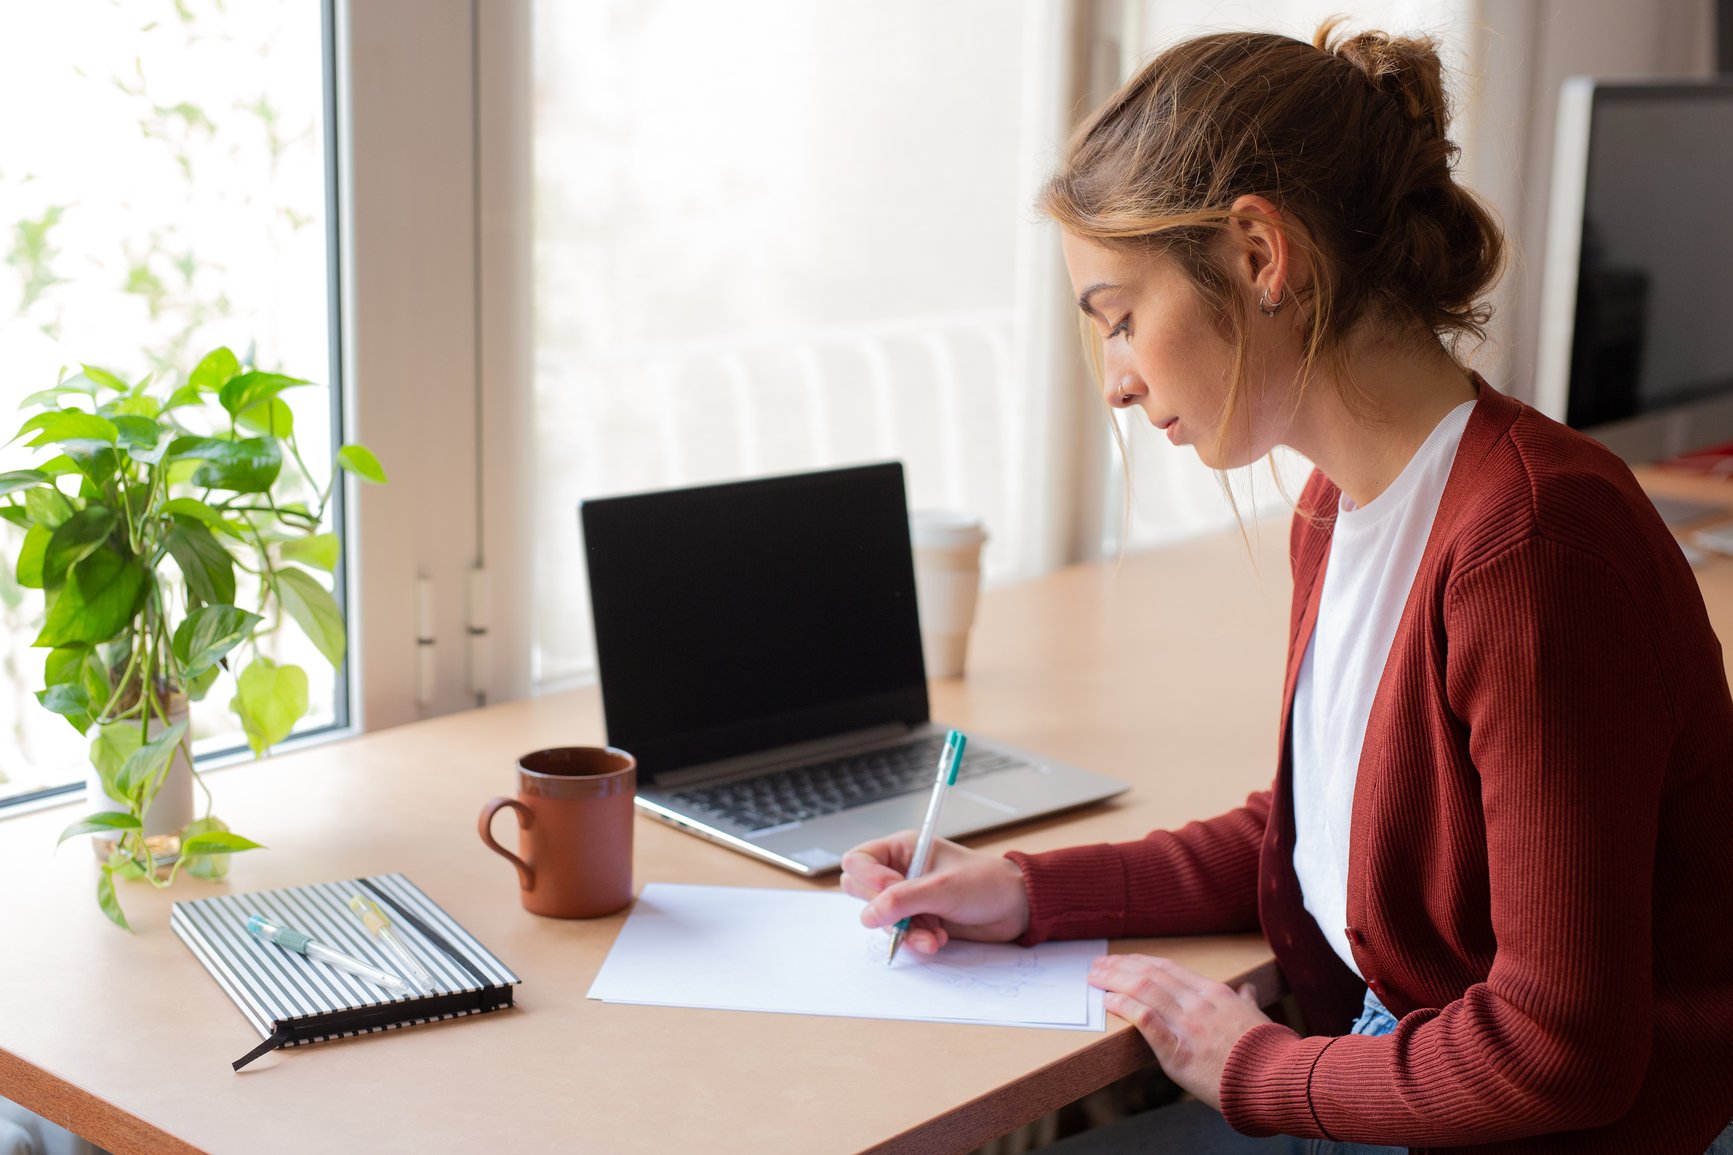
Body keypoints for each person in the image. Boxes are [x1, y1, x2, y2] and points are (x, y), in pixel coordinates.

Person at [841, 22, 1733, 1155]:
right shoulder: (1339, 504)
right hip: (1389, 1072)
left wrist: (1250, 1066)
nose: (1115, 381)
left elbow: (1557, 1053)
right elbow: (1323, 831)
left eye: (1119, 318)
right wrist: (1023, 892)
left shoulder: (1531, 547)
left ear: (1261, 254)